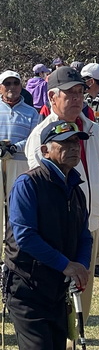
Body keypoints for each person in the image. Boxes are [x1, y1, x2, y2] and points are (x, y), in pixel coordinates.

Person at [25, 67, 99, 350]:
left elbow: (97, 167)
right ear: (52, 97)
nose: (76, 99)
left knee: (82, 299)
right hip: (58, 229)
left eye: (79, 92)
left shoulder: (94, 130)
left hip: (89, 224)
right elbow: (42, 184)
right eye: (68, 93)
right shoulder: (41, 136)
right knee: (57, 297)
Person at [5, 120, 91, 350]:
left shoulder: (75, 187)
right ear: (45, 149)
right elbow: (25, 237)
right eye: (64, 143)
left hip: (56, 289)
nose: (72, 148)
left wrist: (81, 267)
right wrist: (67, 265)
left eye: (75, 142)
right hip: (27, 287)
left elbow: (84, 235)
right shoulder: (29, 183)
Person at [0, 70, 40, 250]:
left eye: (15, 83)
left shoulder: (31, 112)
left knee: (17, 208)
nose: (11, 87)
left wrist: (15, 147)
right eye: (7, 83)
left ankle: (13, 250)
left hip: (19, 162)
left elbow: (34, 137)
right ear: (1, 87)